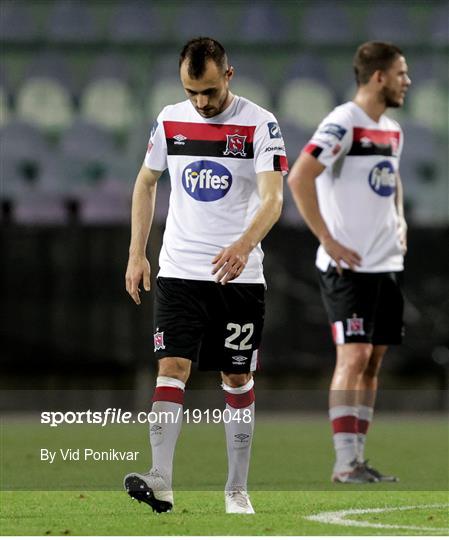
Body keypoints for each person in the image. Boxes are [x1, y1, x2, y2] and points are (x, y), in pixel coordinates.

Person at [123, 37, 287, 513]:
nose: (201, 102)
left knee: (236, 378)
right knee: (171, 369)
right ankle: (161, 479)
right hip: (179, 272)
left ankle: (237, 489)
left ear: (229, 76)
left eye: (210, 91)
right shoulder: (170, 119)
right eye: (192, 91)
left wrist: (242, 245)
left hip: (238, 277)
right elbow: (146, 181)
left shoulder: (261, 124)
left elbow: (274, 199)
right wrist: (138, 253)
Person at [288, 41, 411, 483]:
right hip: (348, 269)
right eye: (401, 73)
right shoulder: (344, 123)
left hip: (385, 265)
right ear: (378, 77)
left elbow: (392, 180)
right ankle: (343, 463)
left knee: (374, 360)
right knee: (354, 355)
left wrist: (399, 219)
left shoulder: (392, 130)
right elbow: (300, 175)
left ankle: (357, 459)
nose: (407, 81)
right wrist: (327, 238)